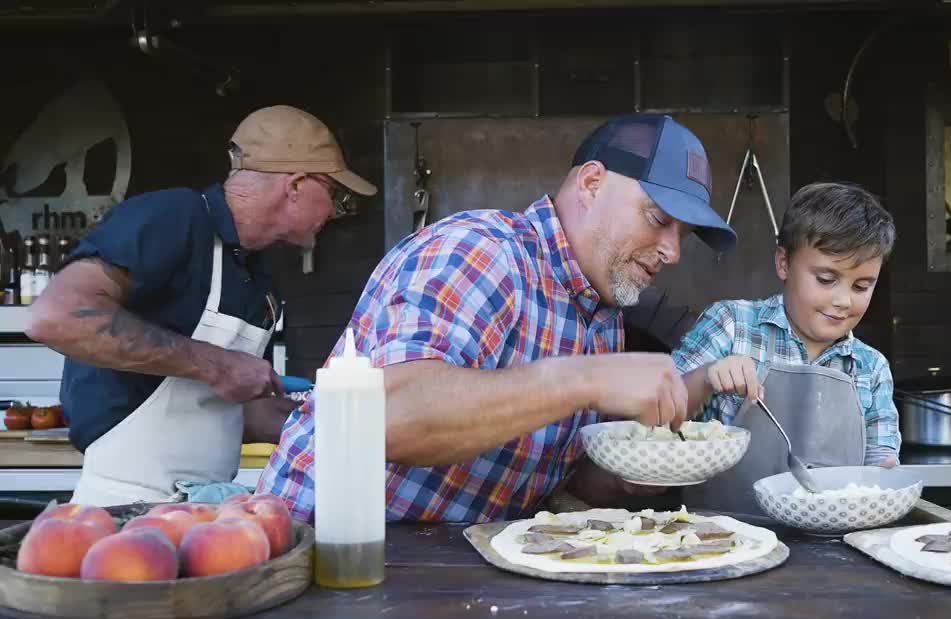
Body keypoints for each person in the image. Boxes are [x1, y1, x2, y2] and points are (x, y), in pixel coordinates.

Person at [258, 113, 737, 523]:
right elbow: (385, 418)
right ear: (592, 183)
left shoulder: (601, 315)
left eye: (684, 233)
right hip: (318, 558)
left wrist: (627, 476)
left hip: (444, 580)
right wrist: (588, 379)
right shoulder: (483, 252)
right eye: (658, 219)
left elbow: (538, 486)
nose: (673, 251)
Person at [25, 105, 377, 506]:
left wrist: (327, 426)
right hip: (119, 509)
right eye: (333, 194)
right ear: (295, 185)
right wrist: (218, 364)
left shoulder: (257, 273)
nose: (333, 211)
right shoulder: (175, 218)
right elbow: (55, 317)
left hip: (207, 510)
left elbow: (223, 408)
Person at [671, 181, 900, 513]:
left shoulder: (870, 367)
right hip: (720, 535)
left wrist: (887, 482)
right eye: (826, 279)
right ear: (783, 263)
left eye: (862, 286)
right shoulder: (732, 325)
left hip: (830, 548)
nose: (842, 301)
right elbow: (655, 418)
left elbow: (881, 467)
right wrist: (706, 377)